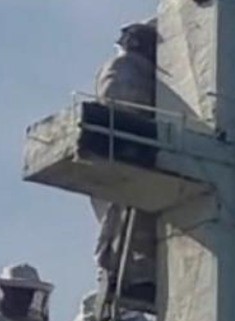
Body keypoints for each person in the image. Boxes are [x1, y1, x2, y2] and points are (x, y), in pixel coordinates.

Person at [91, 20, 161, 304]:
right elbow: (122, 104)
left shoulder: (147, 73)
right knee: (123, 221)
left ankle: (139, 277)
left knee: (138, 225)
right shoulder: (125, 67)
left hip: (140, 157)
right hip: (125, 154)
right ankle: (124, 275)